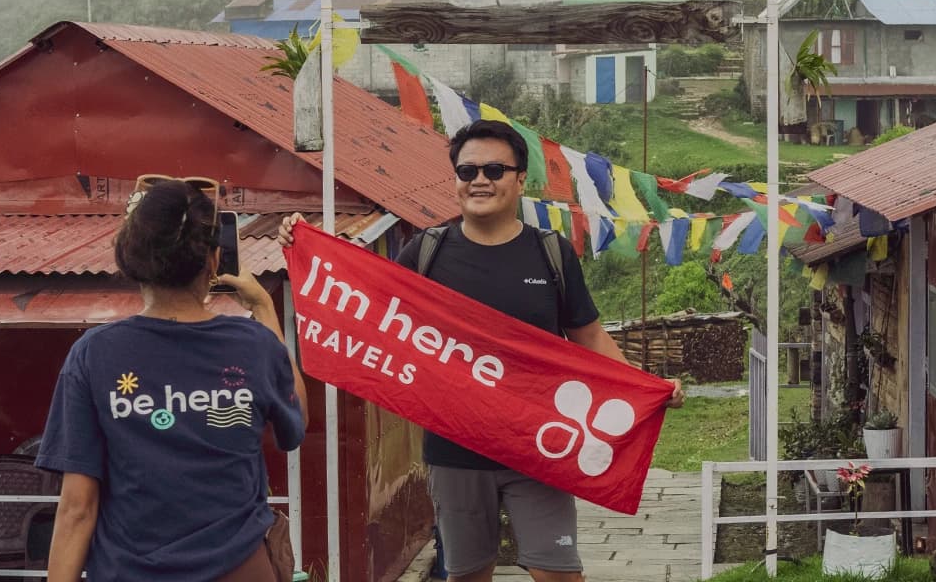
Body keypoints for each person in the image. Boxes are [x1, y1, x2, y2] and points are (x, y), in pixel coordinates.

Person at [278, 120, 684, 582]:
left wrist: (644, 386)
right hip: (454, 453)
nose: (480, 181)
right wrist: (304, 247)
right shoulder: (426, 252)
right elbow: (367, 304)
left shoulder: (550, 253)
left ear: (519, 180)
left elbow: (588, 335)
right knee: (468, 575)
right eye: (467, 171)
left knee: (559, 574)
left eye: (494, 169)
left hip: (542, 445)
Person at [40, 176, 308, 582]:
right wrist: (263, 309)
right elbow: (296, 424)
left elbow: (78, 507)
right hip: (240, 569)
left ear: (130, 255)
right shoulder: (255, 344)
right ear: (215, 261)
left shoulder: (94, 354)